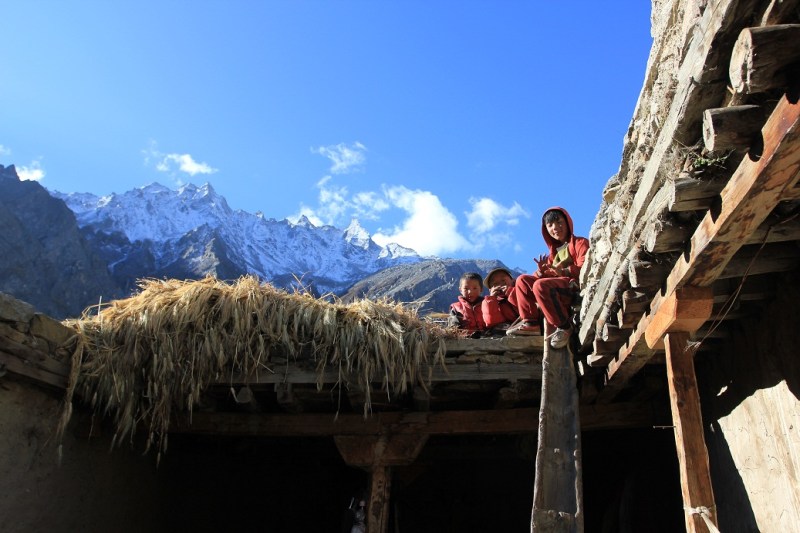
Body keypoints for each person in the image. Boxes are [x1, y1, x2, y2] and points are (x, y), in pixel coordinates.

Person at [507, 207, 589, 349]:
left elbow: (585, 267)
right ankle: (531, 323)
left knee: (540, 286)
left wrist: (563, 271)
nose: (555, 228)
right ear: (546, 230)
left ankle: (564, 327)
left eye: (559, 222)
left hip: (572, 286)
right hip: (555, 286)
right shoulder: (553, 255)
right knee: (522, 280)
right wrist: (541, 272)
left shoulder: (580, 243)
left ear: (568, 223)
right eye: (550, 225)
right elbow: (546, 277)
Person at [481, 267, 526, 334]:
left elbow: (524, 308)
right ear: (490, 290)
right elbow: (491, 321)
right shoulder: (488, 301)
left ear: (513, 281)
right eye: (495, 284)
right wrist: (492, 299)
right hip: (507, 327)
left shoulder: (520, 290)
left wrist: (510, 292)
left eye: (503, 280)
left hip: (526, 322)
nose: (500, 284)